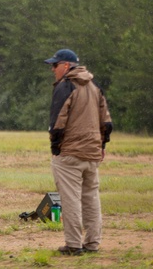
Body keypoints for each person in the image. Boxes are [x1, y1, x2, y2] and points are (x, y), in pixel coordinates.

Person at [45, 48, 113, 256]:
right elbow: (107, 123)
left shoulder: (65, 86)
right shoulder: (95, 86)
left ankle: (73, 244)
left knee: (70, 198)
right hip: (92, 154)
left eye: (55, 65)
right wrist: (101, 146)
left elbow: (57, 123)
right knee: (91, 197)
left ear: (66, 66)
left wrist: (56, 148)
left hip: (70, 153)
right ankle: (93, 242)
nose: (53, 70)